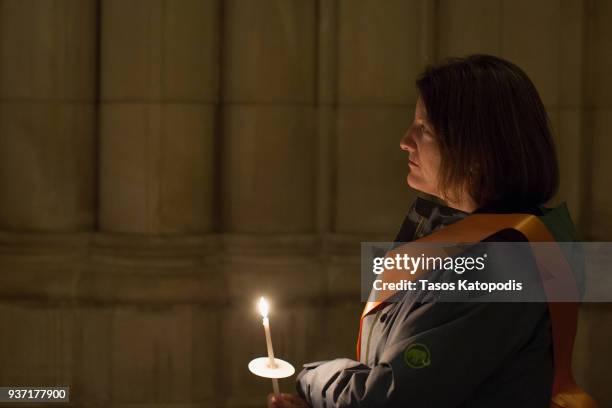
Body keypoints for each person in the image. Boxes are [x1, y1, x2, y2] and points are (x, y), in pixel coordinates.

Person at [267, 54, 591, 408]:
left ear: (477, 153)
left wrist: (313, 378)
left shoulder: (504, 262)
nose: (406, 140)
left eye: (425, 129)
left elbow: (394, 398)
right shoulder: (482, 239)